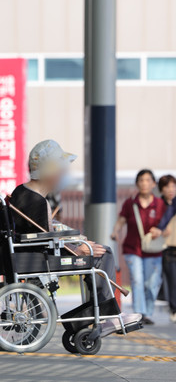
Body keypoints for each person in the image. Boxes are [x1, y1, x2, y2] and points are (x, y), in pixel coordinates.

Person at [11, 140, 141, 335]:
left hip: (31, 254)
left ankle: (99, 314)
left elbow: (42, 231)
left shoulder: (21, 192)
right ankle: (107, 316)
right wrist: (77, 249)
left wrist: (74, 239)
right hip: (44, 258)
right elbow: (43, 239)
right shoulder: (36, 201)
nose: (64, 174)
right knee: (103, 253)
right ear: (51, 171)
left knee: (95, 250)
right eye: (62, 170)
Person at [111, 169, 166, 325]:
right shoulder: (130, 203)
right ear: (137, 183)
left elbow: (167, 224)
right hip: (133, 249)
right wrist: (115, 231)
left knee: (151, 283)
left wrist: (160, 230)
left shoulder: (160, 204)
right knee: (137, 279)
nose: (144, 183)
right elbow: (121, 221)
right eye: (141, 180)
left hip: (154, 251)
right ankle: (139, 313)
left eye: (148, 180)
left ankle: (147, 312)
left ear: (153, 184)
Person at [157, 175, 176, 322]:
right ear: (161, 189)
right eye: (167, 187)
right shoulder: (159, 205)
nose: (171, 190)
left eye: (173, 186)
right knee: (172, 281)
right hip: (167, 248)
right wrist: (160, 229)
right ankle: (174, 308)